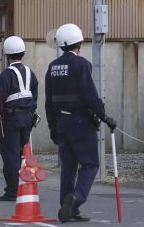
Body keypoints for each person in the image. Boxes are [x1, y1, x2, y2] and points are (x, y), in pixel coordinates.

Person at [44, 23, 117, 223]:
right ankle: (76, 199)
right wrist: (104, 117)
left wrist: (53, 127)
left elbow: (48, 102)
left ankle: (67, 209)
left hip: (62, 122)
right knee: (91, 164)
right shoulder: (81, 64)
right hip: (80, 122)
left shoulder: (52, 67)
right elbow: (90, 96)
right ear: (78, 42)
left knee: (69, 167)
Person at [0, 36, 38, 201]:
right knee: (24, 153)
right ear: (23, 53)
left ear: (7, 55)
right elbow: (35, 96)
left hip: (11, 118)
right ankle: (27, 186)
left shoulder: (6, 75)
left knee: (11, 155)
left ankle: (12, 191)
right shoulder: (30, 73)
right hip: (27, 117)